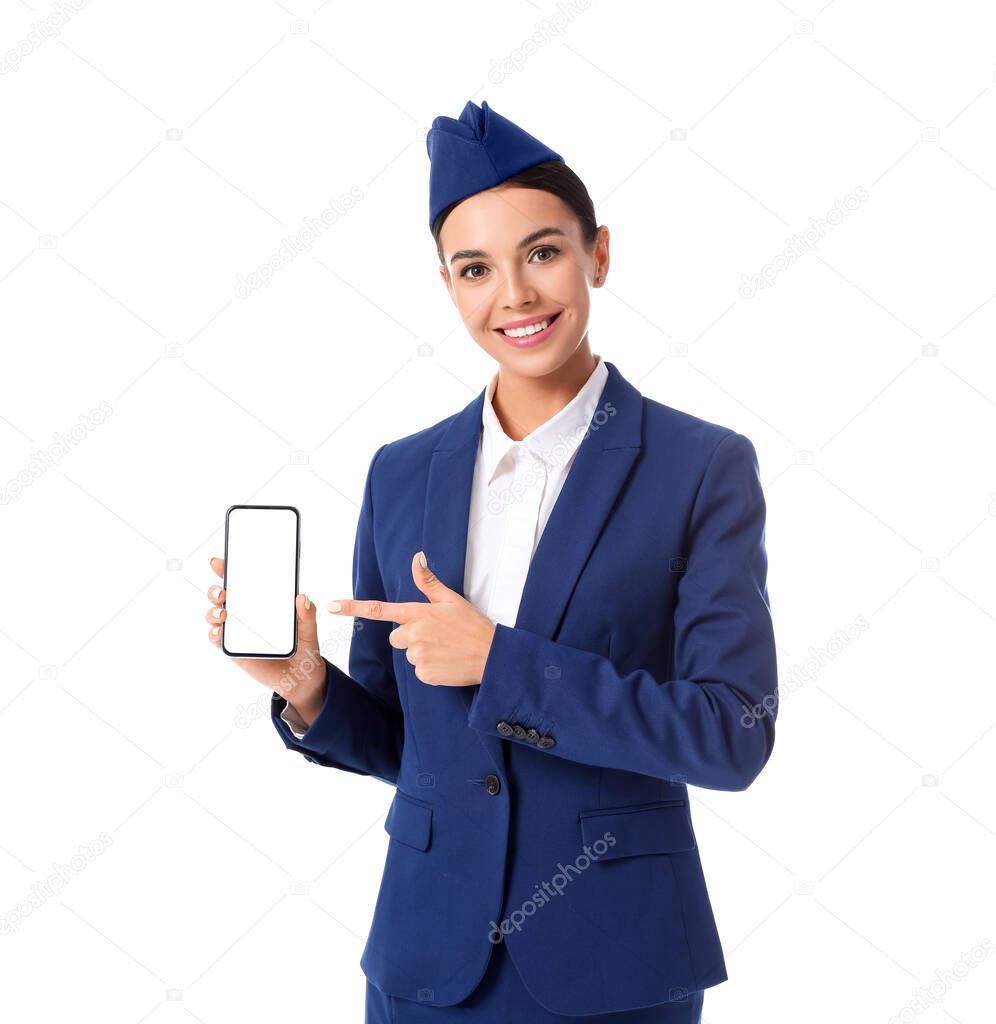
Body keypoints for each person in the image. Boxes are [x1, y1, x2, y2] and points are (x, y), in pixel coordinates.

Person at [204, 99, 778, 1023]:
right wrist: (306, 684)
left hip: (615, 966)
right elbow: (407, 744)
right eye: (476, 269)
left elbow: (732, 733)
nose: (513, 295)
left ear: (598, 252)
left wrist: (500, 661)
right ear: (448, 285)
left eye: (543, 252)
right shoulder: (401, 473)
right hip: (425, 967)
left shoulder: (701, 467)